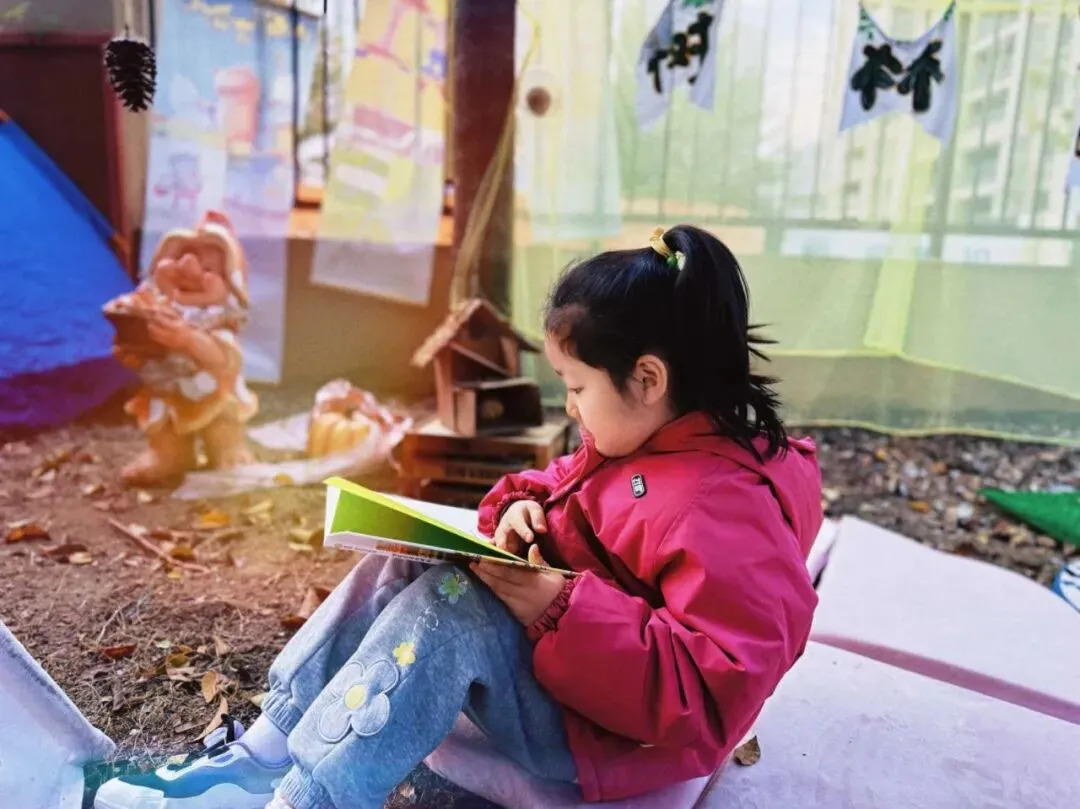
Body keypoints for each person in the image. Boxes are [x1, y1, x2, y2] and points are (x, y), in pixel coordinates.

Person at [94, 225, 822, 809]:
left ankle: (311, 795)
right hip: (575, 676)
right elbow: (560, 485)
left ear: (649, 377)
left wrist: (559, 607)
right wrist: (522, 509)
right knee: (409, 556)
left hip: (612, 739)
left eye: (575, 387)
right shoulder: (641, 439)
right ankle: (262, 753)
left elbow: (710, 690)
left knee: (452, 610)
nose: (570, 408)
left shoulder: (722, 506)